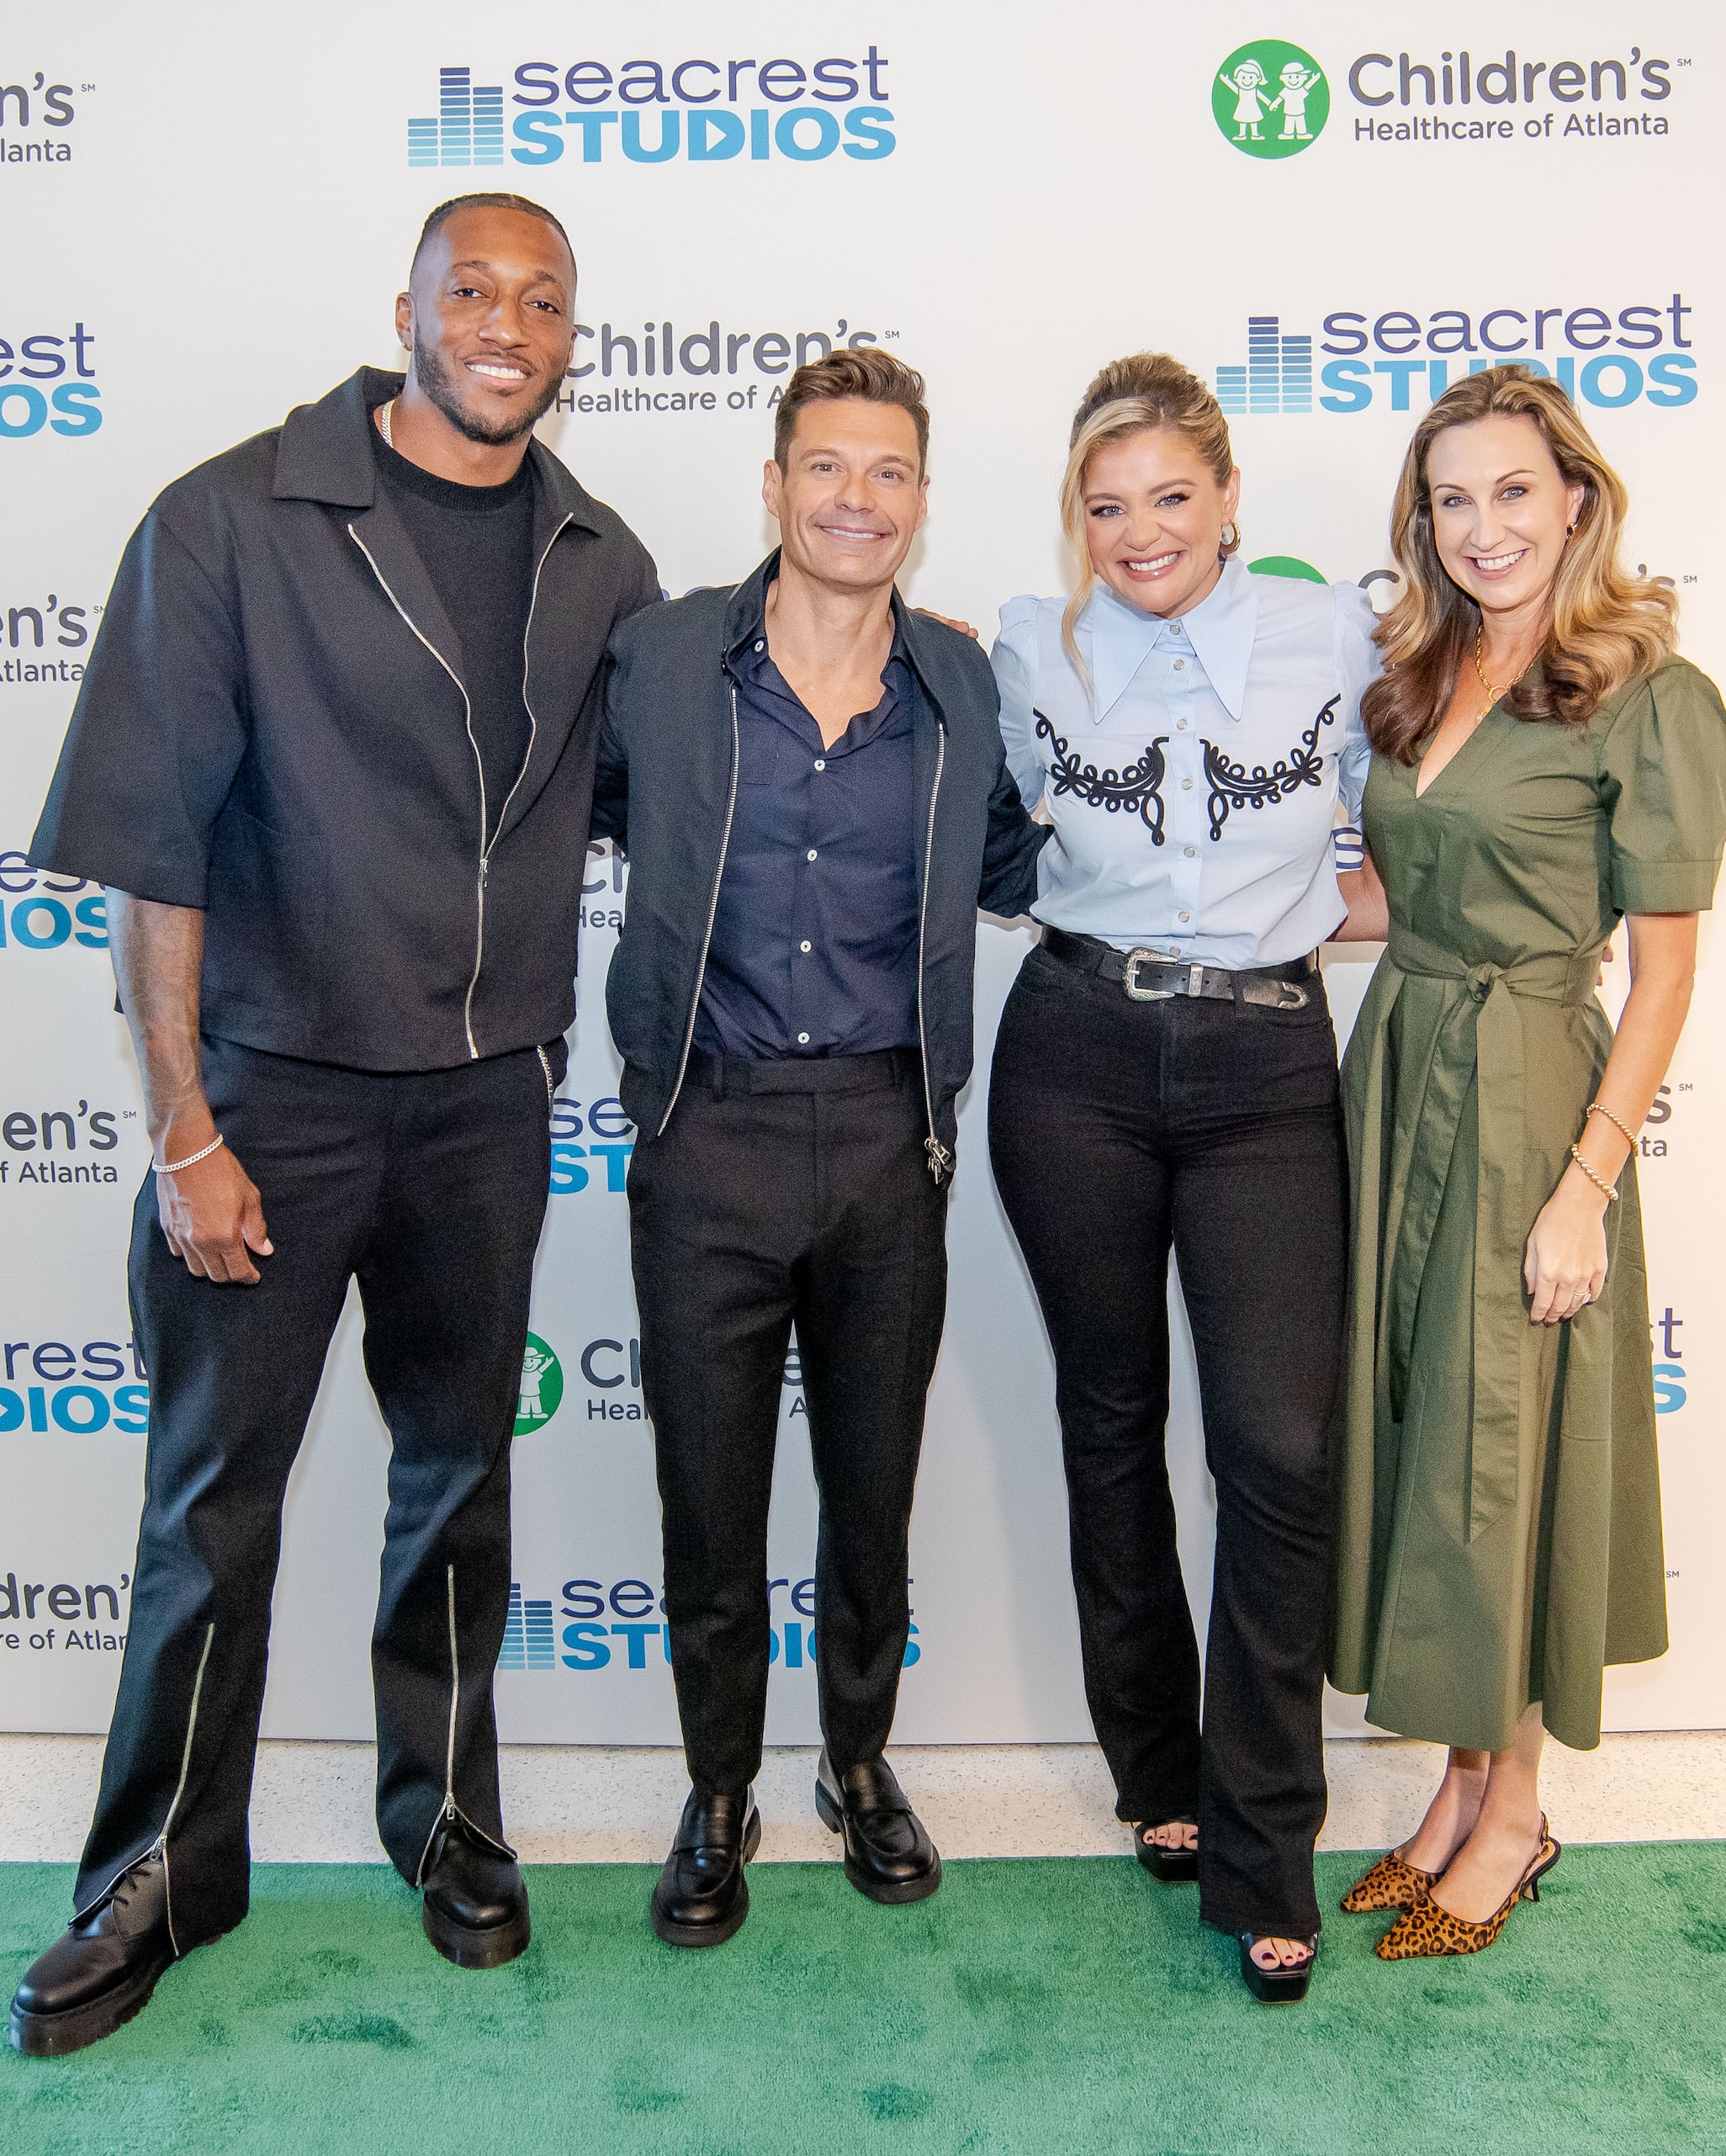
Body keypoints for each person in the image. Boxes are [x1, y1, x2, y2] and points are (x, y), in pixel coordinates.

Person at [9, 193, 657, 2056]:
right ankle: (153, 1874)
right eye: (475, 289)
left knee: (458, 1476)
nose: (507, 322)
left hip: (482, 1106)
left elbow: (677, 765)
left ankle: (445, 1814)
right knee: (213, 1502)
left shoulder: (594, 555)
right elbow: (150, 853)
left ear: (570, 333)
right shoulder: (228, 520)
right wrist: (184, 1127)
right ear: (408, 310)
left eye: (543, 299)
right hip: (270, 1104)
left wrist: (868, 636)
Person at [592, 347, 1041, 1949]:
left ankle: (858, 1762)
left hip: (882, 1140)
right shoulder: (653, 661)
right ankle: (720, 1792)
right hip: (702, 1131)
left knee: (871, 1491)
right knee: (707, 1501)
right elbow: (545, 822)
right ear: (774, 486)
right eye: (827, 468)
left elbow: (1012, 866)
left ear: (921, 503)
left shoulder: (964, 684)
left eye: (890, 472)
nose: (857, 498)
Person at [1326, 363, 1726, 1961]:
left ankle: (1517, 1815)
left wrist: (1587, 1180)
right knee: (1426, 1433)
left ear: (1577, 497)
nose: (1483, 527)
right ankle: (1455, 1782)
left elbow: (1671, 968)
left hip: (1529, 1099)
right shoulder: (1428, 671)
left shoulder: (1645, 691)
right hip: (1400, 1072)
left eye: (1511, 491)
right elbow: (1391, 911)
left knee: (1506, 1449)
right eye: (1451, 498)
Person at [986, 352, 1377, 2005]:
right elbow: (995, 824)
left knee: (1280, 1447)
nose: (1138, 530)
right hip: (1073, 1046)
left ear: (1227, 503)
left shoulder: (1332, 640)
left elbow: (1380, 845)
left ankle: (1263, 1832)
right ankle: (1155, 1767)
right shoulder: (1029, 644)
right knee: (1107, 1417)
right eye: (1105, 503)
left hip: (1265, 1065)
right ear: (1075, 520)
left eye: (1168, 495)